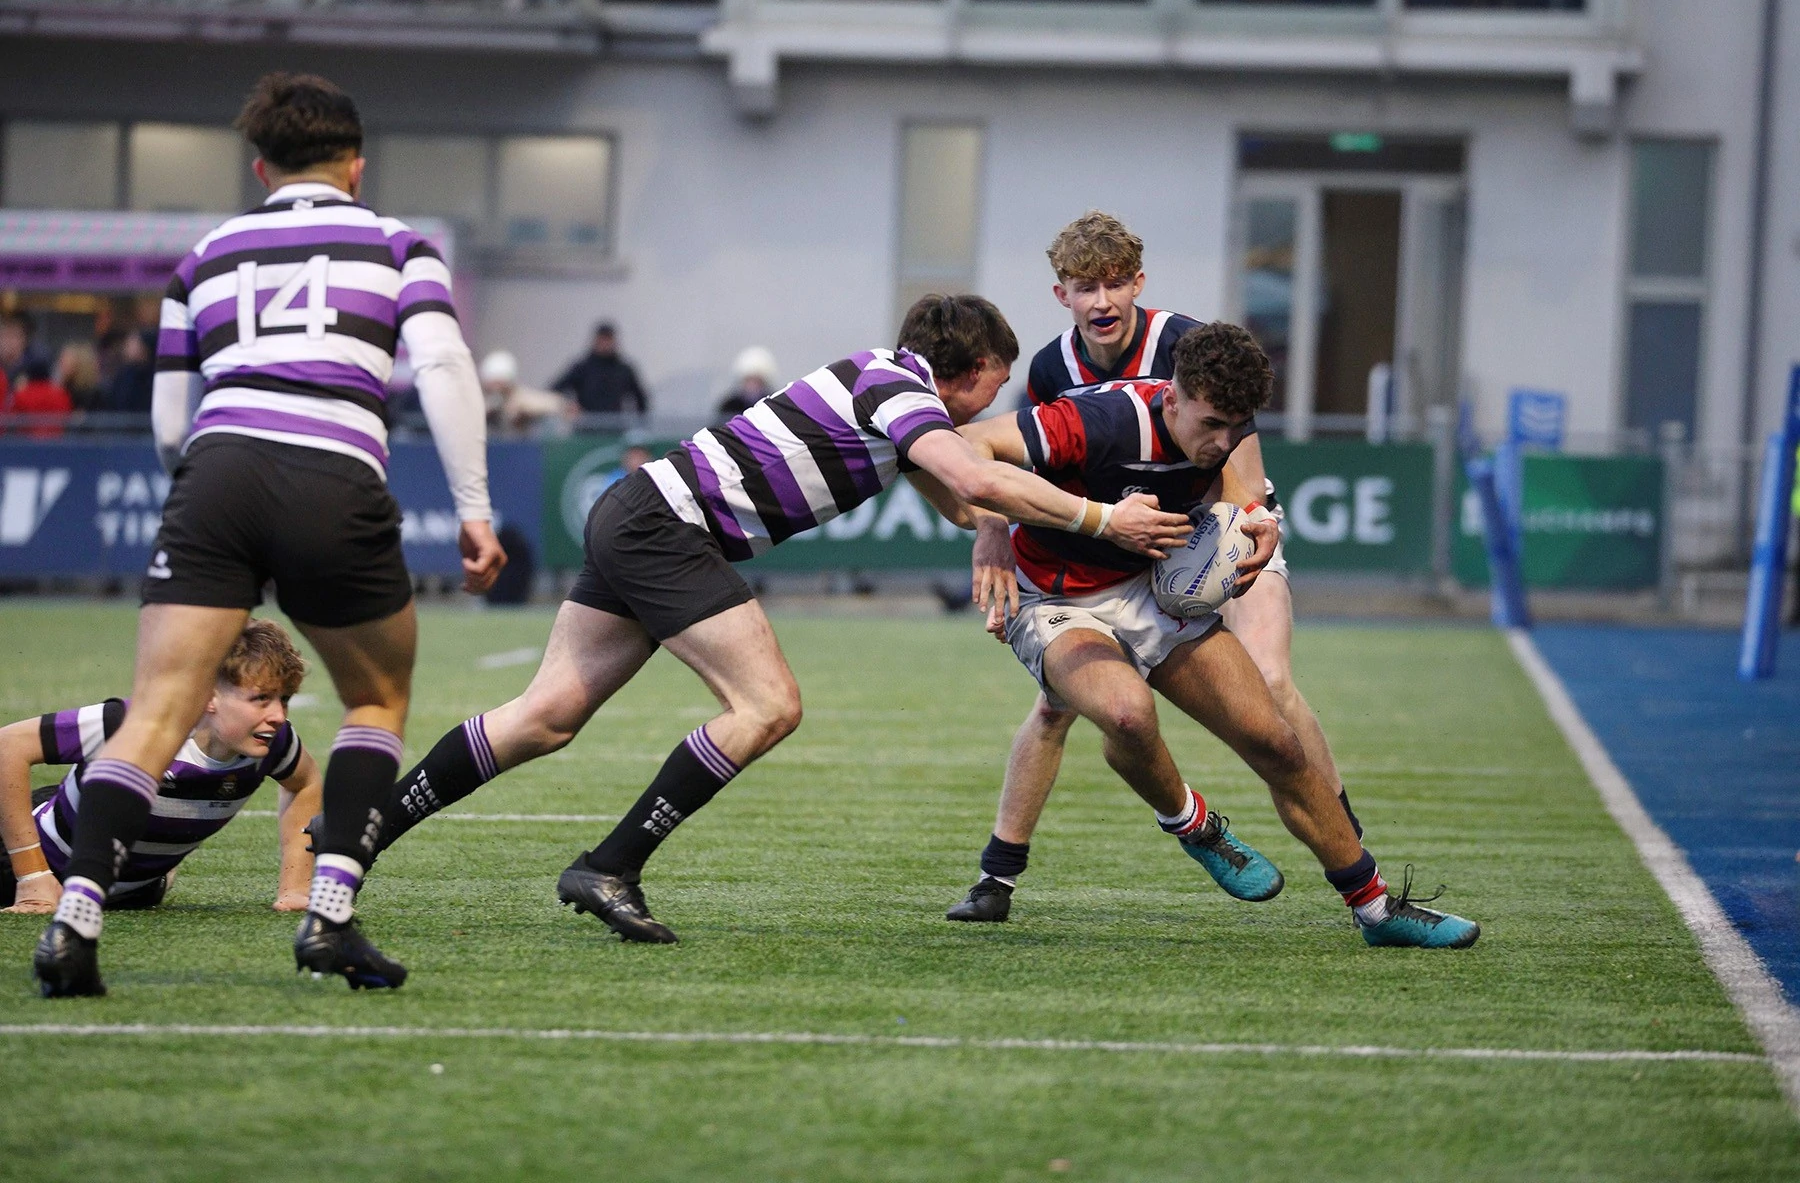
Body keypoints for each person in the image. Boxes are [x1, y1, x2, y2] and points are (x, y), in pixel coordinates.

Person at [343, 294, 1193, 951]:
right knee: (769, 705)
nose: (990, 406)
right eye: (993, 386)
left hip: (638, 513)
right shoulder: (900, 394)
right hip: (666, 530)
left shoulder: (880, 379)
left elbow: (960, 495)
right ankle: (609, 867)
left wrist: (996, 533)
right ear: (966, 370)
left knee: (547, 715)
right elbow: (972, 479)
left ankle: (364, 829)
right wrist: (1101, 521)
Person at [28, 71, 505, 999]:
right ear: (356, 166)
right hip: (333, 473)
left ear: (260, 167)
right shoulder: (397, 244)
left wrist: (211, 503)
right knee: (373, 702)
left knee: (158, 710)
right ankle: (329, 918)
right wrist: (474, 505)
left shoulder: (203, 255)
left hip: (216, 474)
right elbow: (442, 363)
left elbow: (171, 424)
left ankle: (75, 919)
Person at [953, 323, 1479, 948]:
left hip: (1148, 588)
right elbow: (964, 445)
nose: (1223, 441)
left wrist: (1254, 521)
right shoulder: (1097, 420)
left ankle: (1376, 909)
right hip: (1052, 599)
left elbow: (1244, 492)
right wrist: (989, 528)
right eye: (1211, 426)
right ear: (1171, 400)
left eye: (1238, 427)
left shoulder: (1221, 423)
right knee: (1125, 714)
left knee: (1277, 744)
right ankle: (1194, 824)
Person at [948, 210, 1359, 922]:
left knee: (1268, 681)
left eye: (1114, 284)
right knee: (1061, 703)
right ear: (1062, 296)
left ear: (1139, 284)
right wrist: (993, 533)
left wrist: (1249, 530)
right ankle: (998, 875)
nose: (1101, 301)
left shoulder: (1191, 347)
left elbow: (1240, 473)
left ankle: (1347, 839)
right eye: (1085, 286)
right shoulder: (1052, 370)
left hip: (1219, 527)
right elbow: (1010, 464)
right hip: (1122, 550)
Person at [0, 620, 322, 924]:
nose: (278, 715)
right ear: (208, 694)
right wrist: (32, 877)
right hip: (22, 859)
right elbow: (8, 746)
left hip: (133, 893)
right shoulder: (134, 723)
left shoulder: (275, 744)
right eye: (261, 698)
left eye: (284, 699)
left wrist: (295, 888)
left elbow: (306, 784)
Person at [552, 322, 648, 419]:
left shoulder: (624, 370)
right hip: (586, 426)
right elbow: (556, 389)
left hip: (614, 427)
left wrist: (639, 423)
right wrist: (567, 403)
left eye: (608, 340)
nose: (605, 344)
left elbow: (641, 399)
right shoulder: (582, 368)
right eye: (602, 339)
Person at [1, 358, 72, 438]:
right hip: (57, 443)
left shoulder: (21, 395)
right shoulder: (61, 394)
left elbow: (11, 419)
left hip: (26, 444)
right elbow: (67, 416)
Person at [717, 345, 778, 417]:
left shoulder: (774, 405)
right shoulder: (729, 407)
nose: (752, 386)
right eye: (749, 380)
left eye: (757, 381)